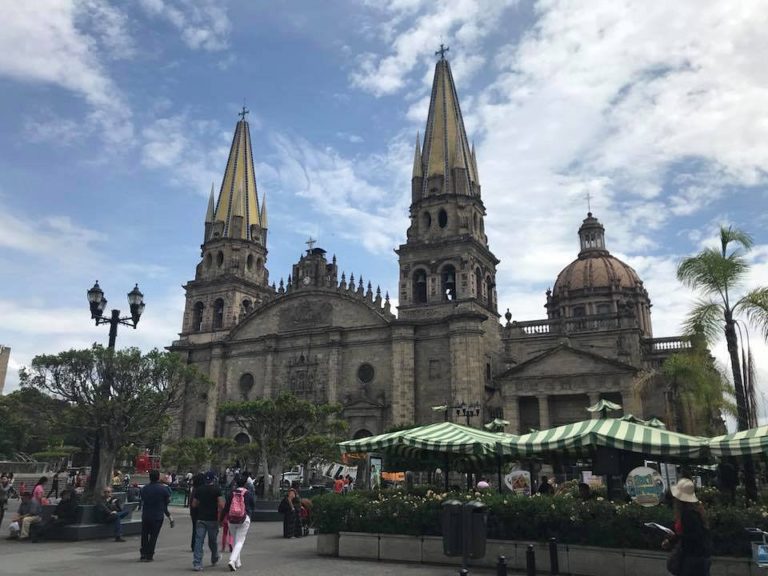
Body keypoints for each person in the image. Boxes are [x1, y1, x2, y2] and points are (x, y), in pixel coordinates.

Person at [663, 478, 712, 576]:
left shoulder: (688, 514)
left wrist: (676, 537)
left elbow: (694, 536)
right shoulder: (689, 512)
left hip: (692, 558)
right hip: (693, 557)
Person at [220, 475, 254, 571]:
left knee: (235, 539)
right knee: (240, 541)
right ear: (245, 484)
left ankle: (237, 562)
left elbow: (226, 508)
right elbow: (253, 505)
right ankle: (232, 560)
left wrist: (221, 519)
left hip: (231, 519)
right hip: (244, 518)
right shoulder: (248, 493)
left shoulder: (231, 493)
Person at [192, 471, 224, 571]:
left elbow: (194, 504)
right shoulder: (217, 490)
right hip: (212, 519)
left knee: (199, 541)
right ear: (213, 479)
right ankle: (215, 557)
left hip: (201, 518)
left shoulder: (199, 490)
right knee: (212, 541)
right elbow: (221, 505)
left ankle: (197, 563)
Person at [139, 469, 172, 562]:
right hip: (157, 515)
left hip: (146, 514)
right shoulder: (163, 489)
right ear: (158, 478)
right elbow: (167, 501)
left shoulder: (144, 489)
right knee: (154, 536)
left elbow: (142, 498)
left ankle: (143, 553)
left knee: (144, 535)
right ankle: (150, 554)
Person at [189, 472, 205, 552]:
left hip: (193, 512)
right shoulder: (200, 490)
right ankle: (197, 545)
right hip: (199, 512)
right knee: (199, 530)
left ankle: (193, 545)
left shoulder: (194, 489)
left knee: (195, 529)